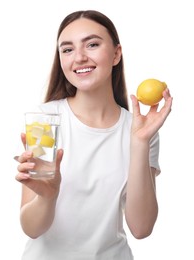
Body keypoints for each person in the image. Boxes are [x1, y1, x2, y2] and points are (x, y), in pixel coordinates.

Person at [15, 10, 173, 260]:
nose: (79, 57)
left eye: (92, 44)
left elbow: (141, 229)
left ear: (116, 54)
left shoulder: (140, 130)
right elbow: (32, 229)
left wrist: (140, 143)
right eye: (67, 49)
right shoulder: (44, 121)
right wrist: (48, 195)